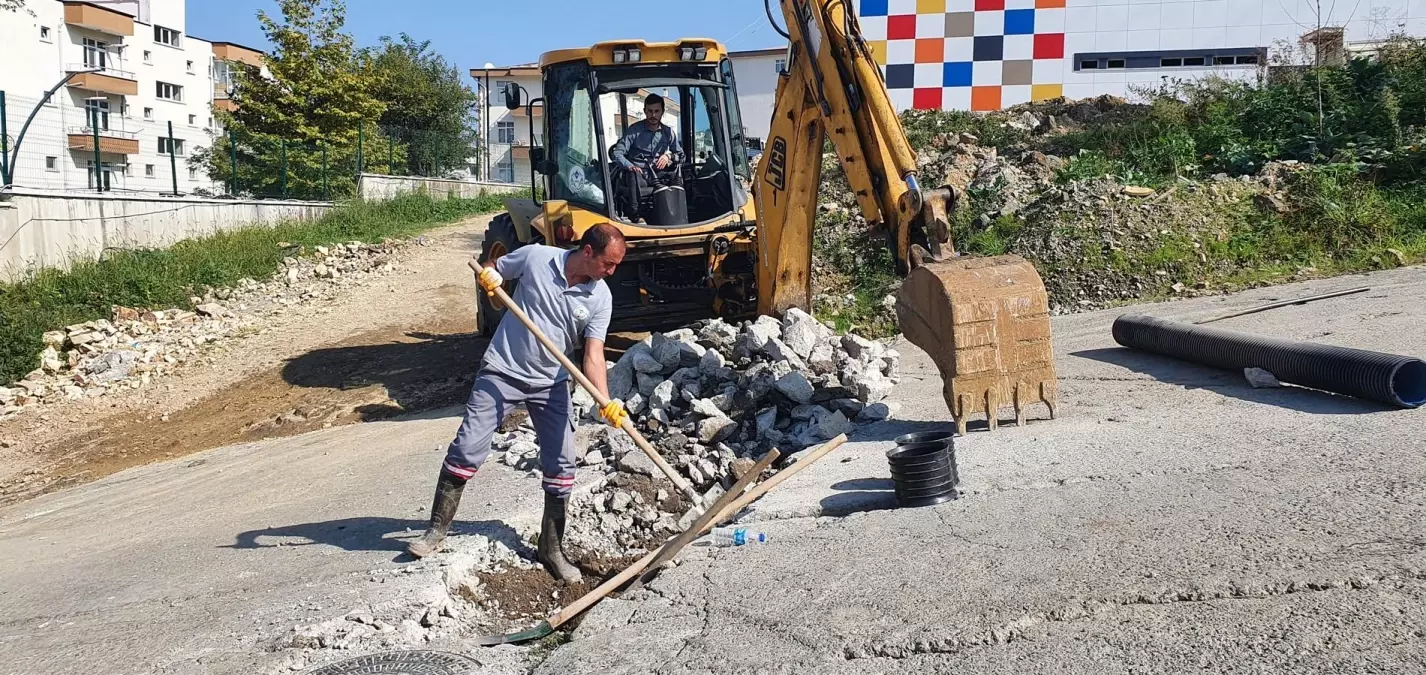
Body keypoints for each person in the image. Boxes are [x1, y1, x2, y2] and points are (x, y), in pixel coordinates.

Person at [406, 223, 629, 584]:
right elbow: (494, 268)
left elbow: (593, 353)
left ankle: (551, 549)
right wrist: (491, 279)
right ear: (588, 251)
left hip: (551, 384)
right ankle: (435, 531)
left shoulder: (600, 297)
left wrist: (605, 400)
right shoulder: (538, 258)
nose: (612, 272)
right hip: (503, 371)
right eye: (609, 263)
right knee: (467, 449)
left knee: (562, 463)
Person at [611, 93, 685, 193]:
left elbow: (682, 156)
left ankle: (677, 207)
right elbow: (617, 153)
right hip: (639, 174)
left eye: (656, 111)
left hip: (659, 173)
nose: (653, 115)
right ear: (644, 111)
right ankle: (634, 208)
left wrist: (669, 157)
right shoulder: (634, 130)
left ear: (662, 112)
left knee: (678, 178)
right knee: (633, 178)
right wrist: (630, 166)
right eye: (650, 111)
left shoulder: (668, 132)